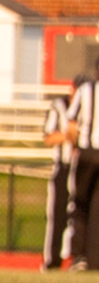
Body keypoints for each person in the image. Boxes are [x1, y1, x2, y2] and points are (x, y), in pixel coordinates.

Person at [62, 72, 97, 270]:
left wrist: (77, 146)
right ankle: (95, 260)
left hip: (87, 152)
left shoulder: (85, 90)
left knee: (80, 205)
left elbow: (72, 126)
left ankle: (80, 256)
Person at [43, 82, 76, 269]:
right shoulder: (59, 106)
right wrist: (69, 135)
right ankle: (53, 261)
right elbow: (48, 138)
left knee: (81, 217)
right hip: (63, 168)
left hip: (83, 169)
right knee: (57, 216)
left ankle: (80, 259)